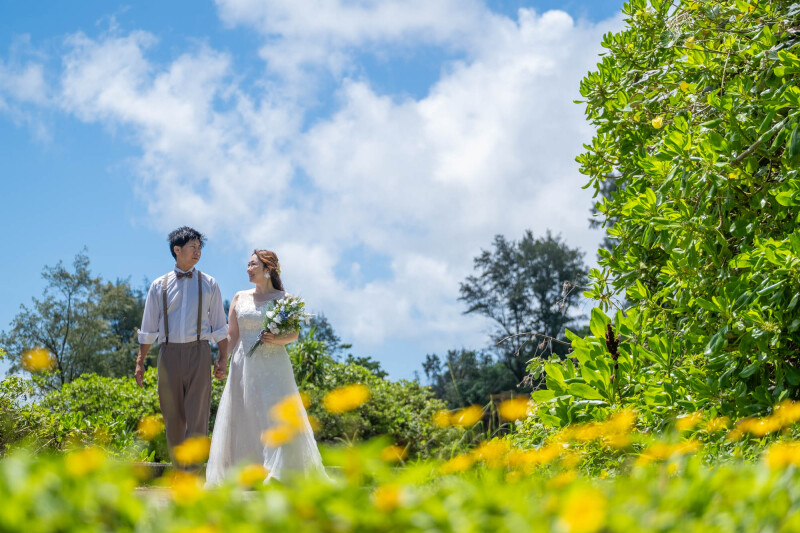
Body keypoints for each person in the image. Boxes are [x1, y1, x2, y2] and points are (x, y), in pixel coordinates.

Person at [206, 249, 325, 485]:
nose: (248, 269)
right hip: (243, 364)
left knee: (276, 416)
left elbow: (294, 334)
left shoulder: (286, 299)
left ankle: (279, 473)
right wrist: (221, 360)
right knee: (244, 414)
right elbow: (232, 337)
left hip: (274, 365)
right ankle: (247, 472)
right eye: (248, 265)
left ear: (268, 269)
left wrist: (276, 339)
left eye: (253, 265)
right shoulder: (240, 297)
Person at [135, 226, 229, 465]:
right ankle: (180, 472)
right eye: (192, 247)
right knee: (173, 418)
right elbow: (148, 328)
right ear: (177, 250)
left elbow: (220, 324)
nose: (197, 252)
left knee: (198, 417)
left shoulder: (210, 283)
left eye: (200, 248)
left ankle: (192, 476)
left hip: (199, 352)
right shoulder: (159, 285)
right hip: (168, 354)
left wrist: (222, 358)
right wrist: (140, 362)